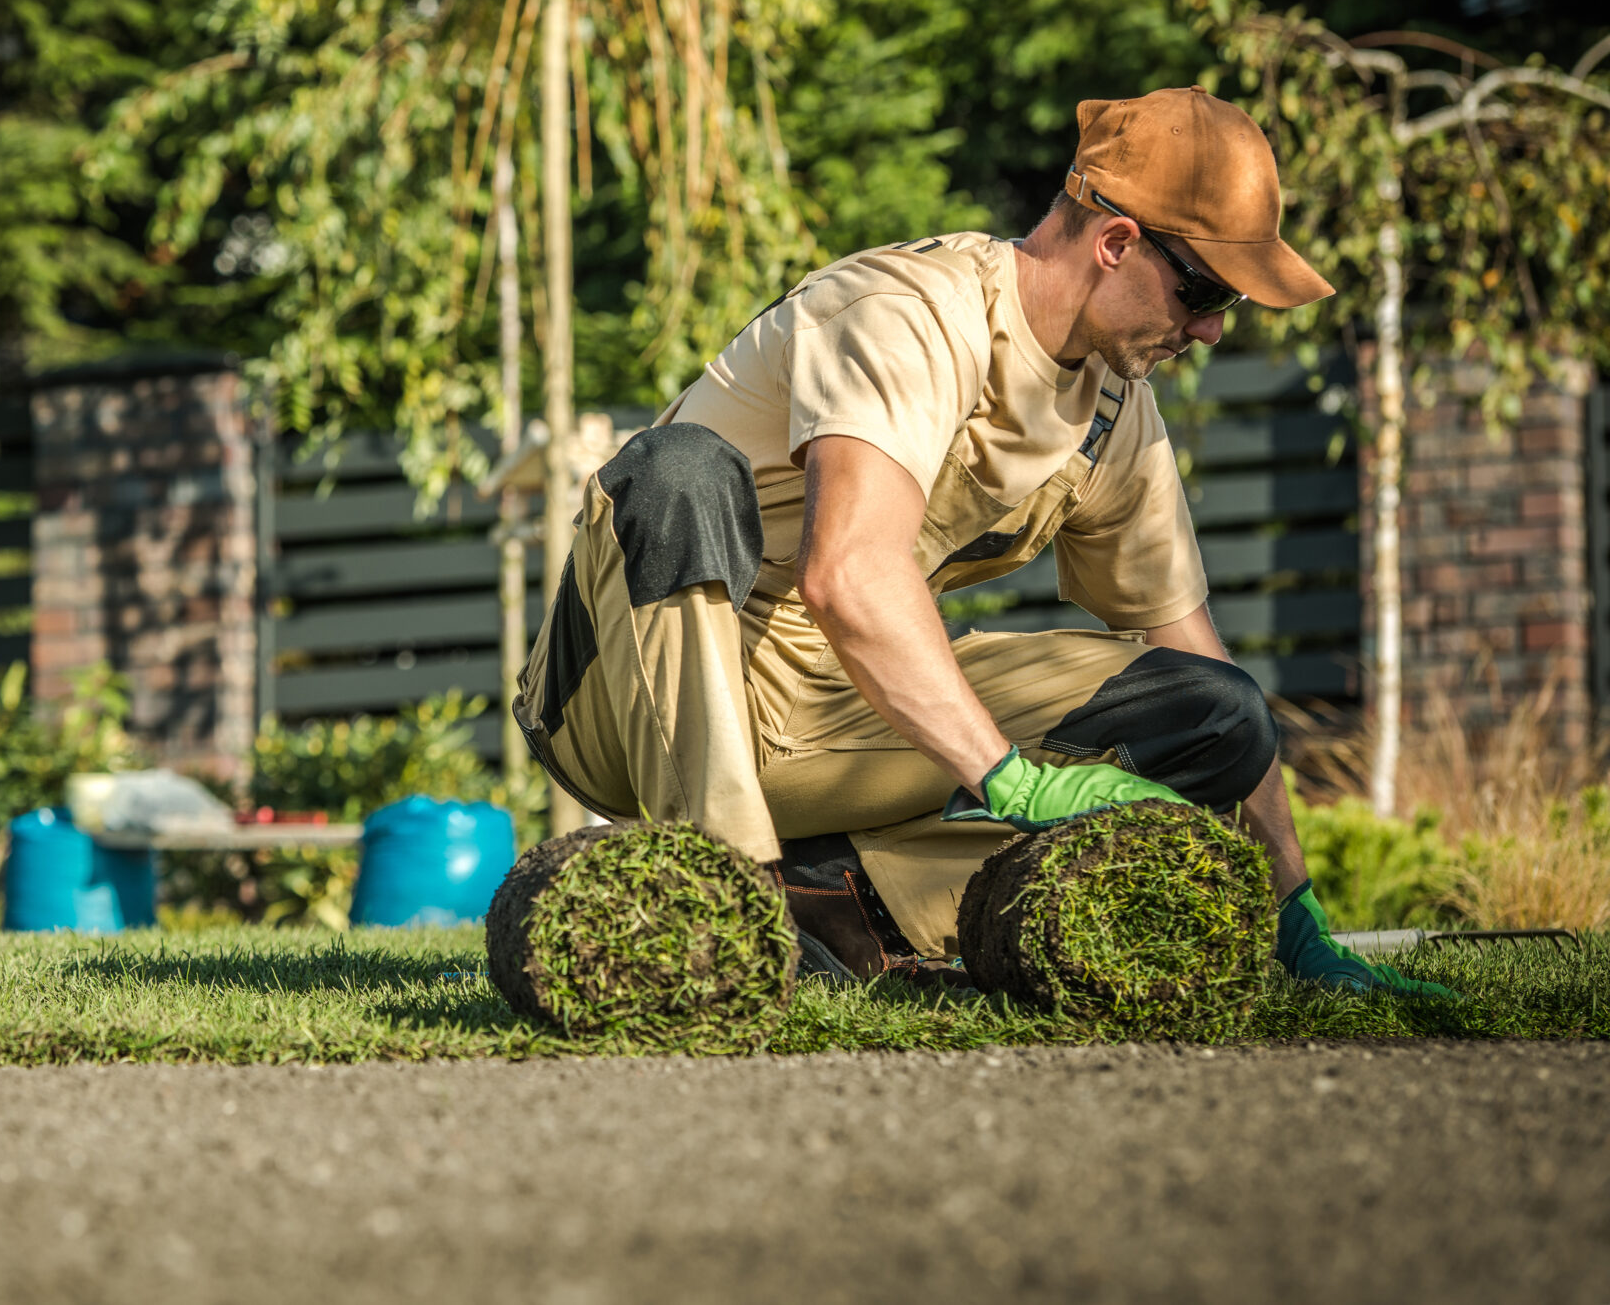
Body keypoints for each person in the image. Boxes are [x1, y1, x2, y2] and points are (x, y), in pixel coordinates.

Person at [512, 86, 1446, 994]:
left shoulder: (1115, 410)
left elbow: (1190, 643)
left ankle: (841, 896)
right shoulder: (910, 314)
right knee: (677, 470)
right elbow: (848, 574)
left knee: (1215, 715)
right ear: (1117, 242)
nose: (1207, 328)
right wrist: (1009, 781)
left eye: (1226, 304)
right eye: (1202, 290)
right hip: (626, 699)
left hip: (830, 716)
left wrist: (1296, 915)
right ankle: (734, 900)